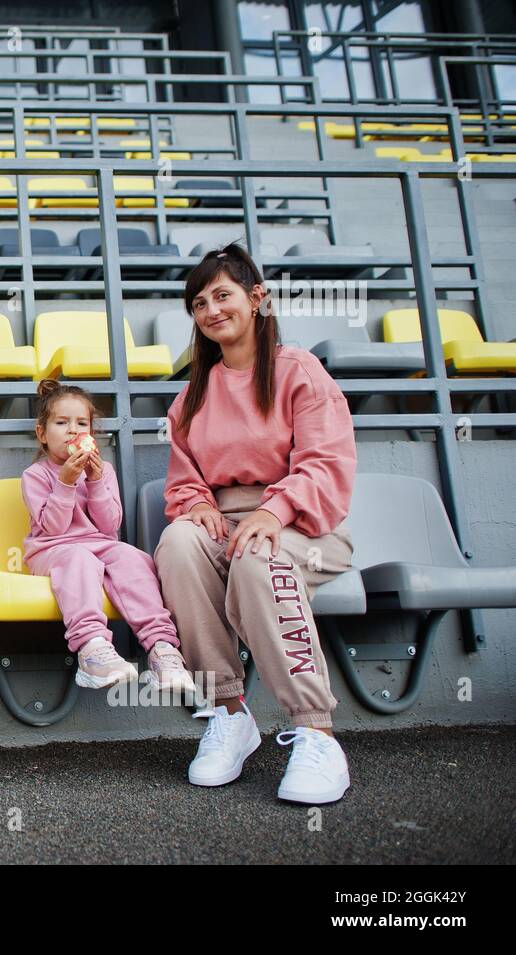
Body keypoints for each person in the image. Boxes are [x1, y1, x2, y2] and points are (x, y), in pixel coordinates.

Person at [154, 243, 357, 805]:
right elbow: (183, 477)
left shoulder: (299, 371)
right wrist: (195, 502)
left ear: (257, 298)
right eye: (199, 303)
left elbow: (325, 463)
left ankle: (316, 731)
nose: (211, 310)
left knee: (257, 555)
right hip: (224, 520)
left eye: (223, 295)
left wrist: (273, 510)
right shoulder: (192, 395)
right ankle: (228, 711)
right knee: (175, 542)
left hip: (301, 526)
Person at [21, 379, 192, 691]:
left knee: (132, 557)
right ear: (42, 434)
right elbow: (53, 528)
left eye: (81, 423)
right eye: (62, 423)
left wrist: (96, 480)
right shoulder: (35, 475)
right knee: (78, 557)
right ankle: (92, 648)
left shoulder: (105, 471)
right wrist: (66, 482)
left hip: (99, 544)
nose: (73, 431)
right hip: (53, 549)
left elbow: (109, 526)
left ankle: (162, 648)